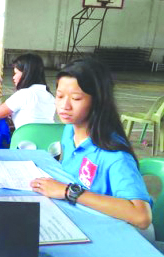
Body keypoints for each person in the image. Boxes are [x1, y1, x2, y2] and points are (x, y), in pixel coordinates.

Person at [30, 58, 152, 230]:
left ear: (97, 101)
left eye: (76, 98)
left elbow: (141, 216)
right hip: (80, 217)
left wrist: (68, 192)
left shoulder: (114, 155)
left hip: (114, 230)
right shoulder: (69, 131)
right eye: (59, 96)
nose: (65, 106)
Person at [0, 53, 55, 129]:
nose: (13, 77)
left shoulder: (24, 94)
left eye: (16, 73)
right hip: (48, 139)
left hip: (25, 139)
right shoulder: (50, 96)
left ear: (26, 74)